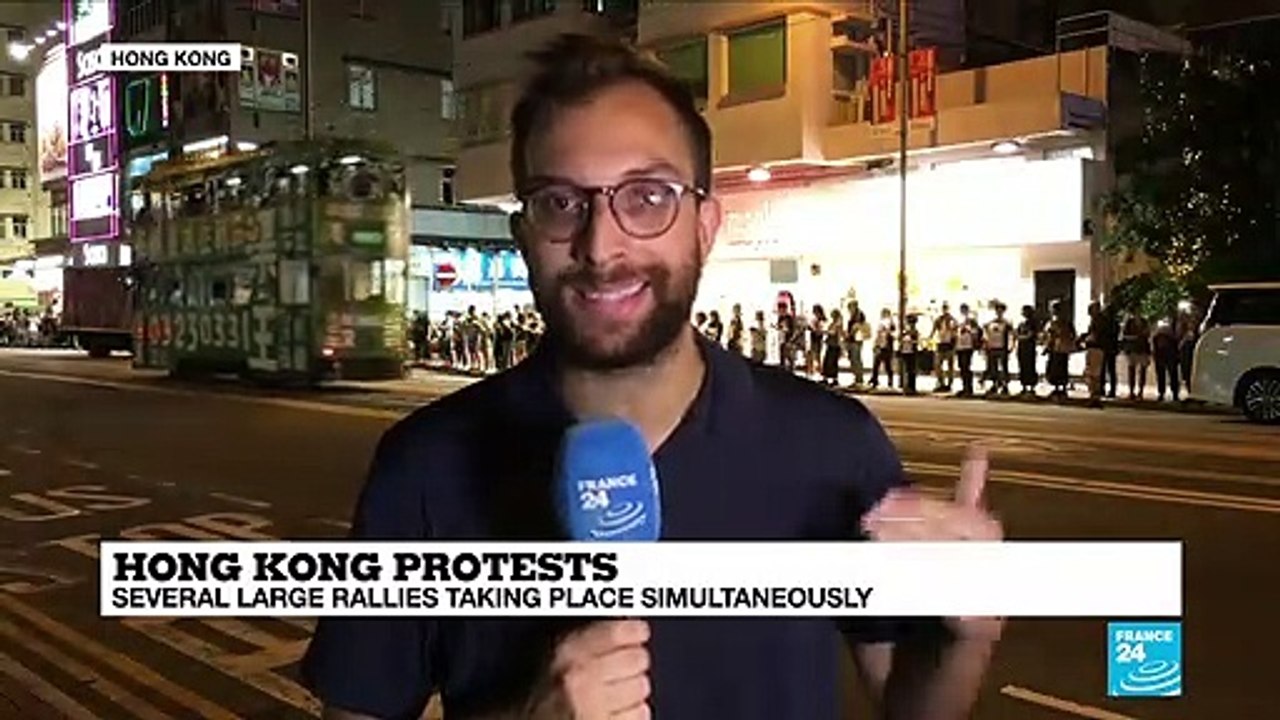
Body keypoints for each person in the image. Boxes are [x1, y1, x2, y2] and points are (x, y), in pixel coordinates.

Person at [302, 34, 1003, 720]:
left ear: (704, 226)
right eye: (560, 202)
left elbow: (910, 704)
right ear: (523, 239)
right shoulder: (424, 468)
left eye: (647, 197)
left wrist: (965, 641)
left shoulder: (834, 444)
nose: (601, 246)